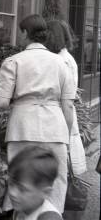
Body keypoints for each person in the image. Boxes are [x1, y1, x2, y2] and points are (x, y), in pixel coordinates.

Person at [0, 14, 75, 214]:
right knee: (54, 184)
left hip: (22, 127)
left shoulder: (13, 62)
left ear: (25, 33)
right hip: (55, 128)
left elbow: (2, 103)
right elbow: (68, 107)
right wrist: (65, 136)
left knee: (21, 182)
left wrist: (20, 98)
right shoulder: (62, 63)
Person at [46, 19, 86, 175]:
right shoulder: (63, 58)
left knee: (58, 169)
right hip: (60, 114)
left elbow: (67, 102)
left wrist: (66, 133)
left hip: (61, 116)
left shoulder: (63, 61)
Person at [8, 145, 63, 220]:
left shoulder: (49, 218)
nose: (12, 192)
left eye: (22, 189)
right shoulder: (24, 208)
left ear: (45, 192)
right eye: (11, 184)